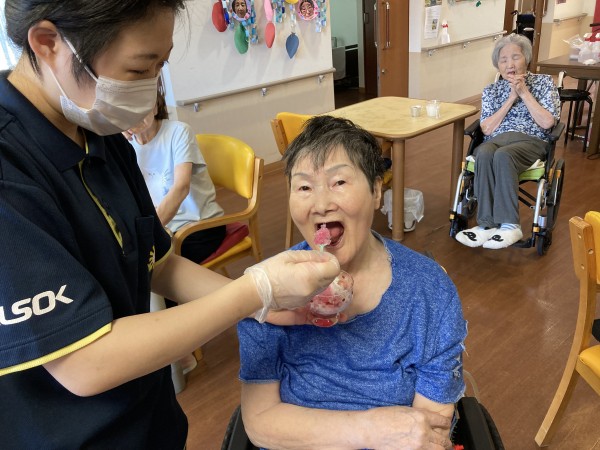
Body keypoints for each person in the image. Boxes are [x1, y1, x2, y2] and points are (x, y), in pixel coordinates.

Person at [0, 1, 340, 448]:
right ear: (48, 43)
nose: (152, 88)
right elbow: (85, 362)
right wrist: (255, 290)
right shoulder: (11, 168)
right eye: (139, 69)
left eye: (161, 65)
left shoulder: (98, 133)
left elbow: (158, 263)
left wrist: (269, 305)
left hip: (149, 412)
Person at [237, 116, 467, 450]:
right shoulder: (269, 288)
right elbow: (260, 421)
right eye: (304, 187)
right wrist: (366, 430)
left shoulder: (430, 292)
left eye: (339, 182)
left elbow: (431, 429)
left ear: (377, 191)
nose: (321, 205)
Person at [455, 33, 560, 250]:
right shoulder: (492, 90)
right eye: (503, 60)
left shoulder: (543, 83)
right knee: (484, 152)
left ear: (526, 59)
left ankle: (510, 225)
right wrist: (511, 97)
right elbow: (487, 128)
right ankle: (486, 225)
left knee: (504, 155)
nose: (509, 64)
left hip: (531, 140)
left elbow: (548, 122)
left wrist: (524, 93)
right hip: (497, 139)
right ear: (498, 66)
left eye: (515, 57)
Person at [128, 83, 226, 266]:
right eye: (129, 109)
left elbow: (181, 188)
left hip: (198, 226)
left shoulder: (179, 132)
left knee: (153, 267)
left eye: (143, 105)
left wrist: (149, 235)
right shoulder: (126, 144)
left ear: (155, 106)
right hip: (165, 227)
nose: (137, 114)